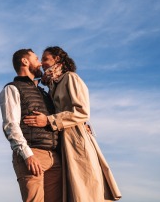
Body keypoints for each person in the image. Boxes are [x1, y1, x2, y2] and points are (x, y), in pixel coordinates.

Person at [23, 46, 122, 202]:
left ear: (56, 59)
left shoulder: (70, 78)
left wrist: (48, 120)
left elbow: (82, 111)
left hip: (76, 142)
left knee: (84, 190)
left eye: (45, 59)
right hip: (62, 143)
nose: (42, 63)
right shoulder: (51, 86)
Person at [0, 49, 62, 202]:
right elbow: (10, 125)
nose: (40, 63)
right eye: (36, 58)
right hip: (33, 154)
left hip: (54, 156)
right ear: (25, 61)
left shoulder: (45, 93)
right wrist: (28, 155)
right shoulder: (12, 88)